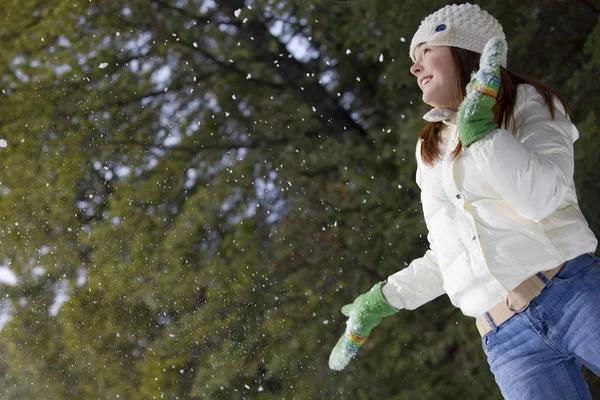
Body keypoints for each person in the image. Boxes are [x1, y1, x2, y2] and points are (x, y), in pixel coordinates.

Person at [328, 3, 600, 399]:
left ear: (465, 48)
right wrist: (383, 297)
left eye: (425, 52)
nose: (415, 67)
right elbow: (448, 255)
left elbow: (542, 198)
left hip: (571, 292)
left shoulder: (527, 101)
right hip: (507, 342)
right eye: (413, 59)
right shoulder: (431, 150)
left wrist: (484, 134)